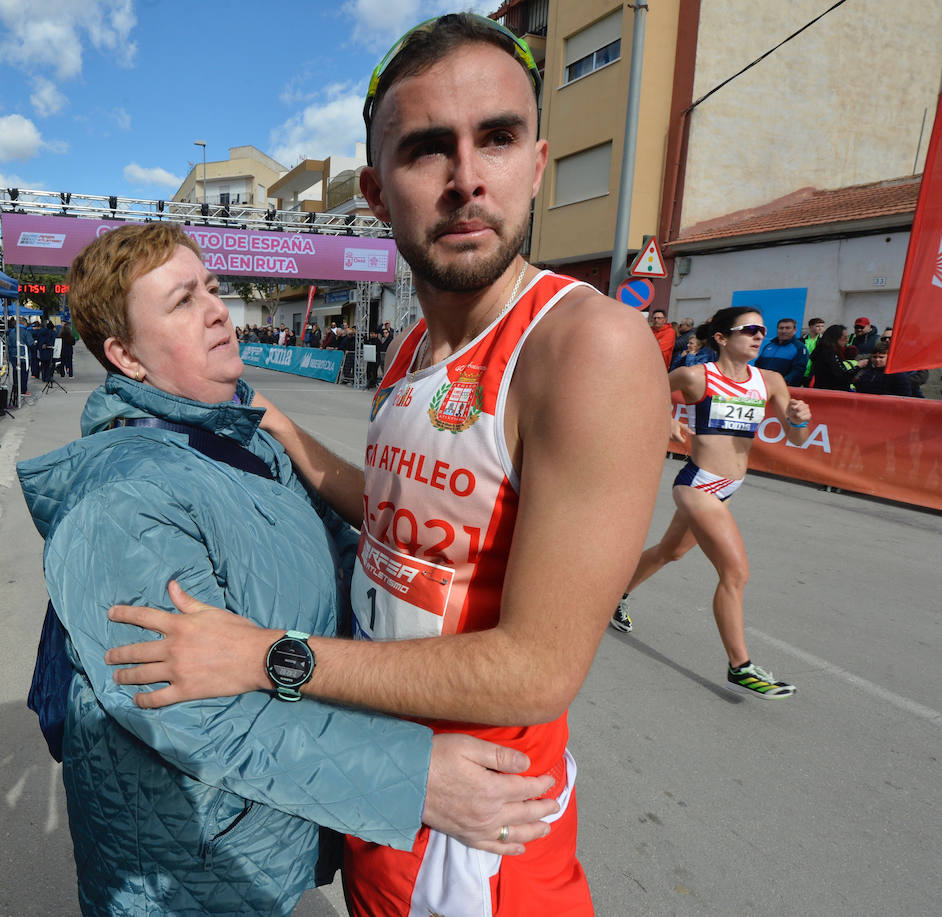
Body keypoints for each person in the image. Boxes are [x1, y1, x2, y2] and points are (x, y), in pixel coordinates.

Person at [102, 15, 669, 915]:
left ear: (538, 158)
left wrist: (265, 658)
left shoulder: (589, 346)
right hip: (382, 789)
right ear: (376, 189)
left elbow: (537, 669)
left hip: (475, 845)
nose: (468, 178)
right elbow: (400, 514)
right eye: (427, 150)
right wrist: (284, 431)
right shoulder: (406, 352)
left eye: (498, 137)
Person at [18, 222, 557, 917]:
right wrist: (412, 780)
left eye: (211, 287)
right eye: (182, 301)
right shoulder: (126, 496)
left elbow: (350, 561)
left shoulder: (235, 439)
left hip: (257, 843)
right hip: (187, 874)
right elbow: (198, 716)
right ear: (126, 356)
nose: (217, 308)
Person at [610, 307, 812, 700]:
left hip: (729, 486)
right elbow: (641, 390)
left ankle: (613, 595)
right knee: (735, 573)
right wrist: (662, 416)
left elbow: (799, 438)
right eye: (750, 329)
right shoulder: (695, 376)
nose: (758, 336)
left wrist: (799, 417)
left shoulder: (770, 381)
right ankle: (741, 667)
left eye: (762, 331)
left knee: (670, 552)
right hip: (697, 485)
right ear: (721, 337)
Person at [803, 324, 860, 391]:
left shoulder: (824, 350)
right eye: (845, 337)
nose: (847, 340)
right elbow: (841, 376)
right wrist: (858, 366)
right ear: (835, 338)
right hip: (830, 392)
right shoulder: (829, 353)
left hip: (823, 389)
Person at [754, 317, 808, 385]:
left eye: (787, 328)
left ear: (795, 330)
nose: (784, 331)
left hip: (784, 388)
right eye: (781, 328)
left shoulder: (800, 347)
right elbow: (758, 365)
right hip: (763, 386)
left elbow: (799, 370)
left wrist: (782, 382)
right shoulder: (769, 346)